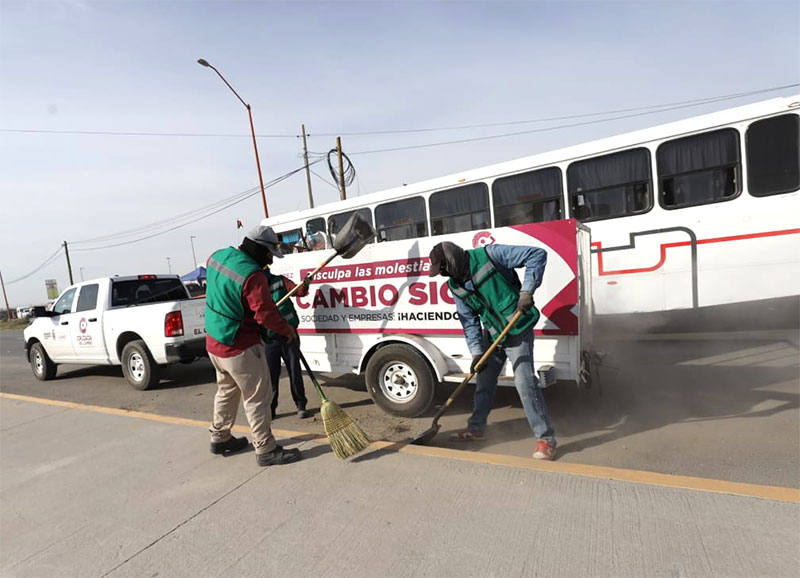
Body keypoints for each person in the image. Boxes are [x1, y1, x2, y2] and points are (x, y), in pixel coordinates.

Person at [428, 241, 557, 460]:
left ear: (451, 262)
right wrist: (477, 352)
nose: (442, 275)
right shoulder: (455, 286)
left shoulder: (490, 255)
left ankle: (546, 439)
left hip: (517, 328)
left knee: (524, 383)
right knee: (484, 380)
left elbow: (537, 254)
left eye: (442, 269)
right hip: (493, 333)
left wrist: (526, 291)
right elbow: (469, 321)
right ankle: (477, 429)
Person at [204, 225, 301, 467]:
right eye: (268, 254)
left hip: (215, 343)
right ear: (258, 248)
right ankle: (266, 449)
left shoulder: (217, 257)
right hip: (240, 347)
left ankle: (220, 437)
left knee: (226, 391)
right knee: (258, 397)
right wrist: (286, 329)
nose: (270, 261)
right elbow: (265, 315)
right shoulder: (253, 275)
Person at [263, 268, 311, 419]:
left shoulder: (280, 281)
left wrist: (305, 284)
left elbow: (299, 291)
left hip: (289, 336)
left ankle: (300, 404)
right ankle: (271, 408)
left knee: (294, 372)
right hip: (269, 338)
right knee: (271, 376)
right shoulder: (256, 287)